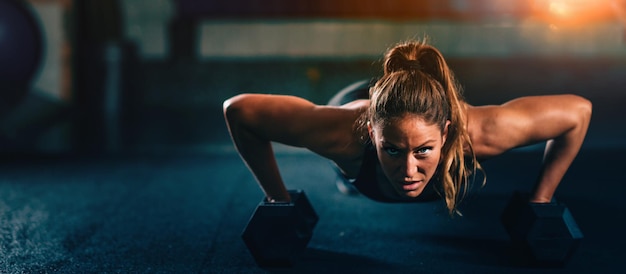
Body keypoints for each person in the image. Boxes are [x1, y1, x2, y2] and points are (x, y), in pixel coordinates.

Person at [223, 39, 592, 215]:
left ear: (446, 135)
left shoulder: (478, 134)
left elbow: (578, 112)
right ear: (372, 136)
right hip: (358, 102)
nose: (409, 171)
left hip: (419, 108)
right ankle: (357, 167)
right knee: (347, 169)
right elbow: (239, 110)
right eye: (394, 151)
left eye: (424, 151)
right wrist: (278, 199)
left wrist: (540, 200)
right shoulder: (342, 134)